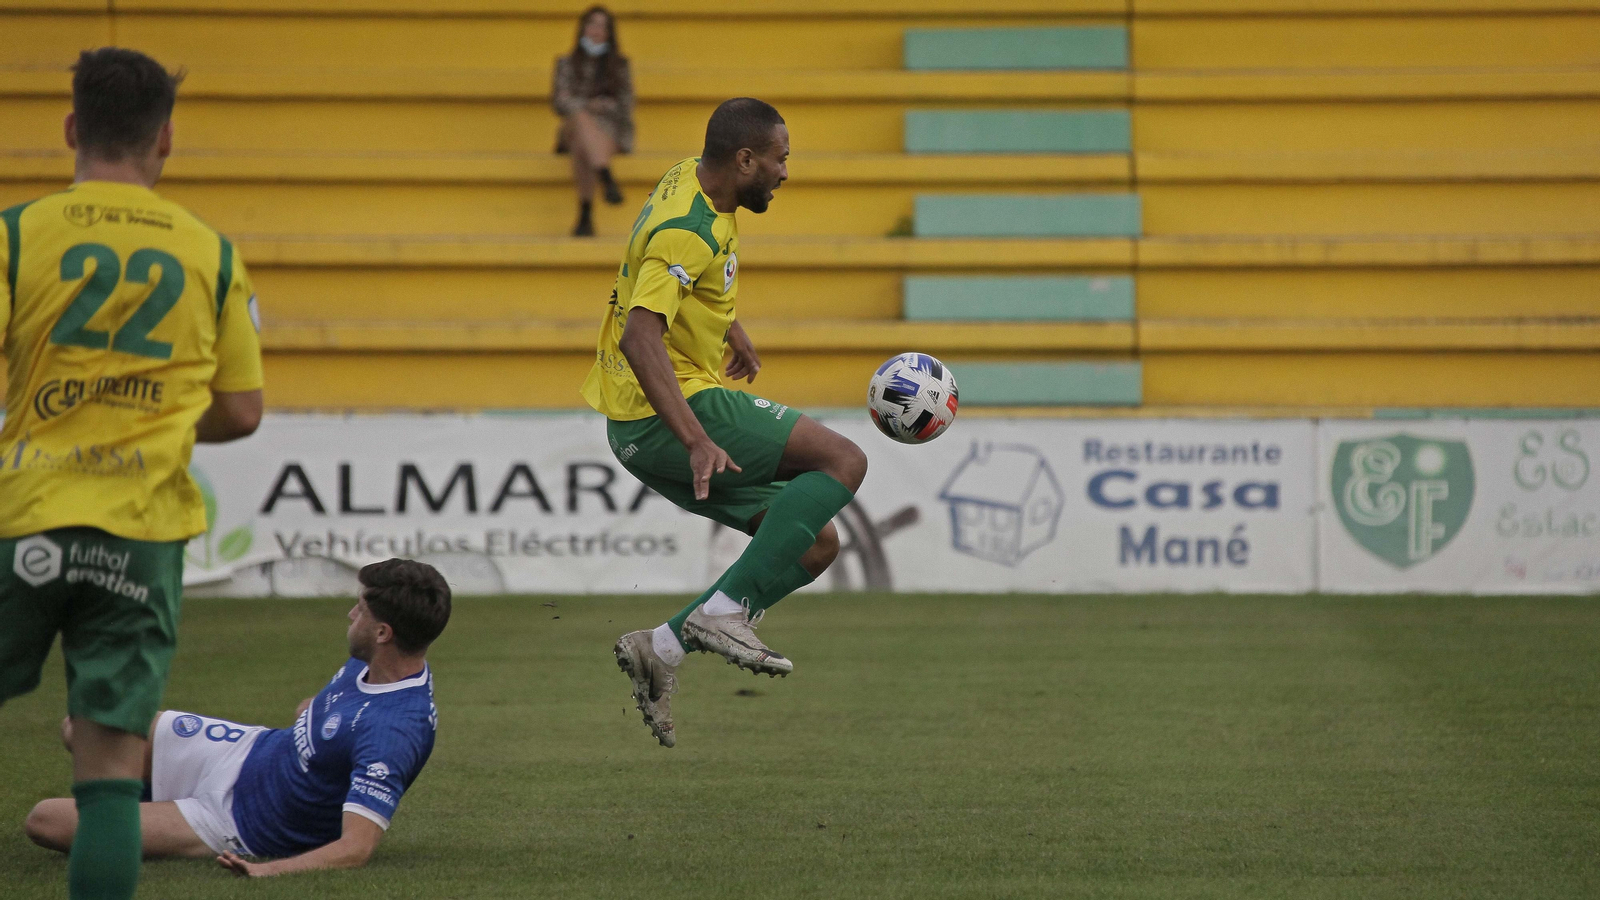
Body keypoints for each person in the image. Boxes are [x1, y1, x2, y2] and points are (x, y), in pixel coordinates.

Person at [0, 48, 264, 900]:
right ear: (167, 140)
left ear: (73, 128)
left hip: (26, 515)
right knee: (111, 778)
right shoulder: (211, 255)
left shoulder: (16, 234)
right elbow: (243, 410)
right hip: (140, 536)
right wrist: (151, 418)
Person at [580, 98, 869, 749]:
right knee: (845, 461)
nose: (785, 171)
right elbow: (639, 335)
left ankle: (661, 648)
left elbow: (661, 282)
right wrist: (695, 437)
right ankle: (723, 613)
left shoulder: (692, 179)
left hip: (643, 420)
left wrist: (723, 321)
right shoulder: (691, 227)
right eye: (779, 158)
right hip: (666, 414)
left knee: (815, 544)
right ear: (744, 160)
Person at [23, 558, 452, 879]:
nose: (350, 614)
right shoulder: (376, 662)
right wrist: (311, 714)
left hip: (237, 820)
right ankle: (146, 806)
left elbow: (356, 848)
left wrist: (270, 871)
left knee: (45, 819)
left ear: (383, 634)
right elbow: (338, 716)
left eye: (360, 609)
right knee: (79, 729)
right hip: (245, 749)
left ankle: (152, 816)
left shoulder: (394, 730)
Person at [553, 5, 635, 237]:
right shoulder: (566, 63)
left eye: (603, 26)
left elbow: (625, 105)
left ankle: (585, 214)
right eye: (592, 24)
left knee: (582, 145)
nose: (597, 30)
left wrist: (594, 105)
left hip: (609, 131)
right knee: (579, 119)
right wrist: (590, 105)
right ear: (582, 28)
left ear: (610, 32)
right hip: (573, 126)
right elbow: (559, 102)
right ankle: (605, 175)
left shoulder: (620, 66)